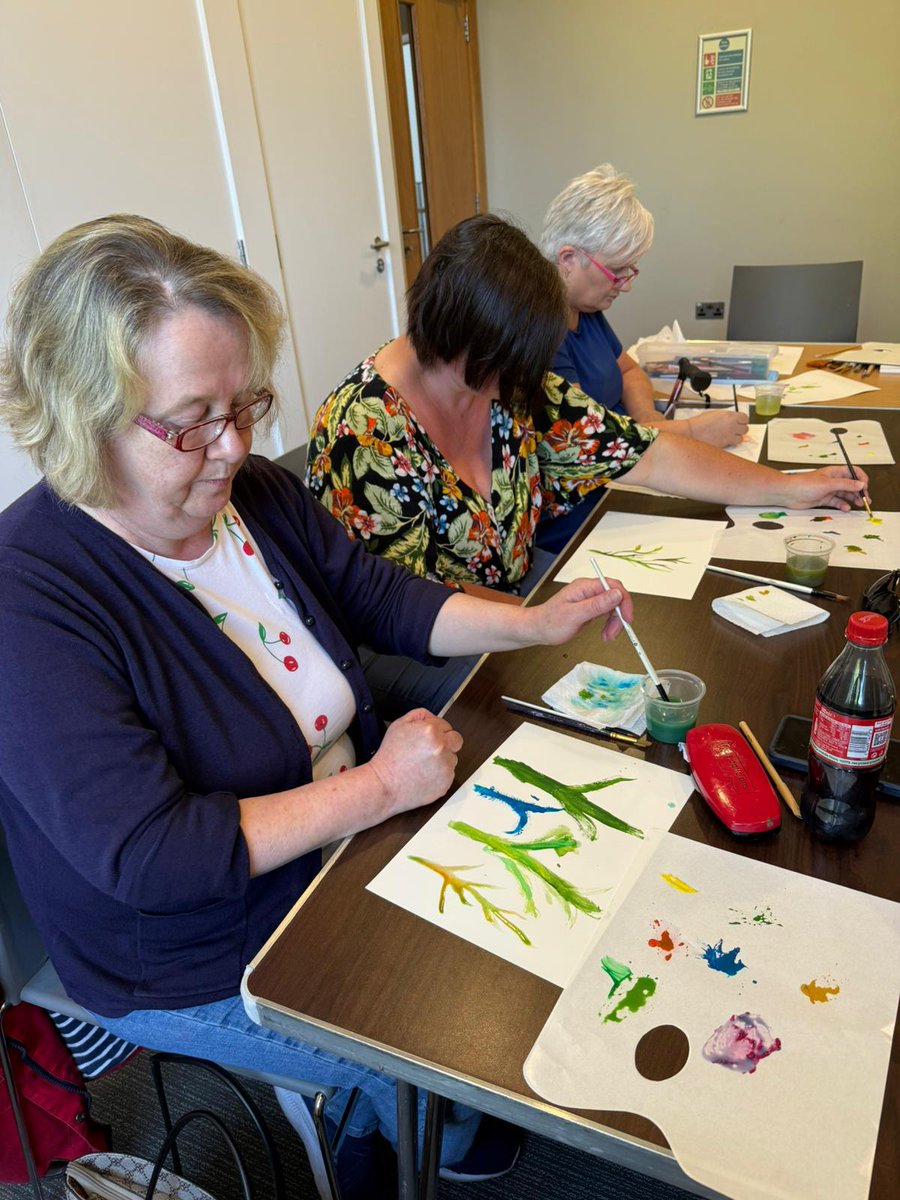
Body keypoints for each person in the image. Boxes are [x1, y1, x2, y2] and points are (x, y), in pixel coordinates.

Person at [0, 215, 640, 1200]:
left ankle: (406, 1119)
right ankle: (393, 1115)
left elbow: (378, 595)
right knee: (434, 1034)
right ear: (78, 416)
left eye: (245, 402)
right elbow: (153, 856)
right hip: (190, 941)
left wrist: (533, 622)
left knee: (529, 917)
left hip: (334, 841)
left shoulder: (245, 492)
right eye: (191, 421)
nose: (234, 446)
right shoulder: (30, 597)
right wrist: (380, 788)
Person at [305, 214, 867, 714]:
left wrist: (790, 489)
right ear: (463, 339)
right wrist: (538, 621)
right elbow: (400, 602)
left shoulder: (503, 382)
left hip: (519, 601)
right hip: (417, 652)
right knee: (596, 708)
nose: (529, 383)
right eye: (516, 364)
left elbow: (645, 452)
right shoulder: (364, 429)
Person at [537, 163, 748, 551]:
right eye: (617, 272)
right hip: (586, 513)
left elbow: (630, 370)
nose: (626, 286)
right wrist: (692, 432)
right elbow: (592, 441)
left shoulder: (585, 310)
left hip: (629, 468)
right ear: (567, 258)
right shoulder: (542, 331)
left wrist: (650, 421)